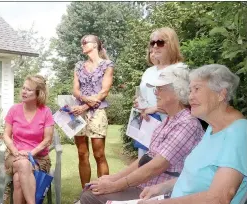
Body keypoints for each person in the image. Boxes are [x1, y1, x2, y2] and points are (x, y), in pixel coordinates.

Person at [80, 65, 204, 204]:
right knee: (89, 191)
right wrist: (114, 177)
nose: (156, 93)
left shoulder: (186, 124)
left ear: (177, 92)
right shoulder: (169, 120)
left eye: (160, 89)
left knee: (90, 197)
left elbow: (156, 166)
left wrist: (114, 185)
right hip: (146, 187)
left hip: (162, 193)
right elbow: (147, 158)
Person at [138, 64, 247, 204]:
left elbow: (220, 198)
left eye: (197, 89)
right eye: (190, 90)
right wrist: (163, 187)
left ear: (221, 94)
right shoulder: (213, 128)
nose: (190, 97)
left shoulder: (238, 133)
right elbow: (199, 178)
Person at [133, 27, 187, 158]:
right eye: (152, 43)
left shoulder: (179, 70)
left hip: (170, 131)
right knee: (143, 166)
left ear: (171, 44)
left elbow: (184, 103)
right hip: (148, 128)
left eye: (160, 42)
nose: (155, 46)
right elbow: (143, 95)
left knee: (162, 172)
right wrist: (138, 104)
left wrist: (155, 108)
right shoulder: (149, 72)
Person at [71, 34, 114, 189]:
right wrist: (83, 99)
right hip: (78, 113)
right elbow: (75, 90)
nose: (82, 44)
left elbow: (104, 92)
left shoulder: (107, 65)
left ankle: (104, 192)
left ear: (95, 45)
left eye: (85, 42)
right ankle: (85, 193)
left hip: (97, 113)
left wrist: (85, 106)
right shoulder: (78, 66)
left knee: (99, 155)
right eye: (81, 42)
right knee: (82, 154)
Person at [3, 75, 54, 204]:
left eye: (29, 89)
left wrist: (31, 153)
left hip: (39, 159)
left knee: (18, 179)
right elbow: (6, 136)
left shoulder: (46, 112)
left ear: (39, 94)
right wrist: (15, 151)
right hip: (15, 156)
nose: (24, 92)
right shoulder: (14, 110)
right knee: (23, 164)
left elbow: (48, 139)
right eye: (23, 88)